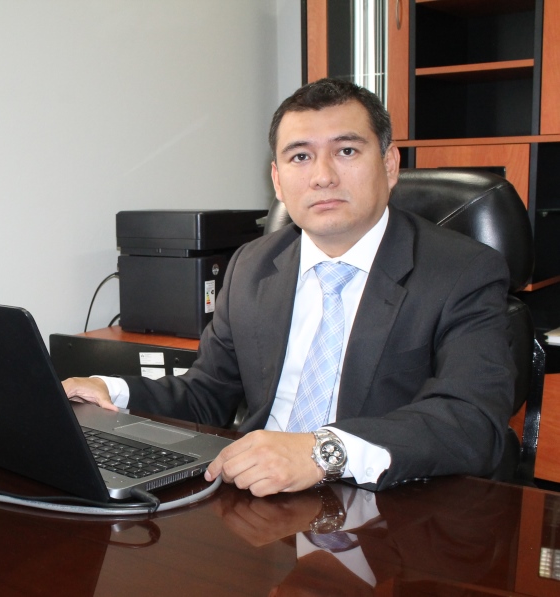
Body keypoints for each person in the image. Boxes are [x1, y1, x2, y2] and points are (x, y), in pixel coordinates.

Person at [63, 78, 514, 496]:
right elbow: (206, 394)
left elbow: (472, 420)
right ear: (278, 181)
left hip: (383, 504)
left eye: (346, 151)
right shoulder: (252, 266)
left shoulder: (462, 271)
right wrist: (111, 390)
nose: (323, 176)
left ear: (390, 164)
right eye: (300, 157)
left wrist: (321, 452)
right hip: (257, 501)